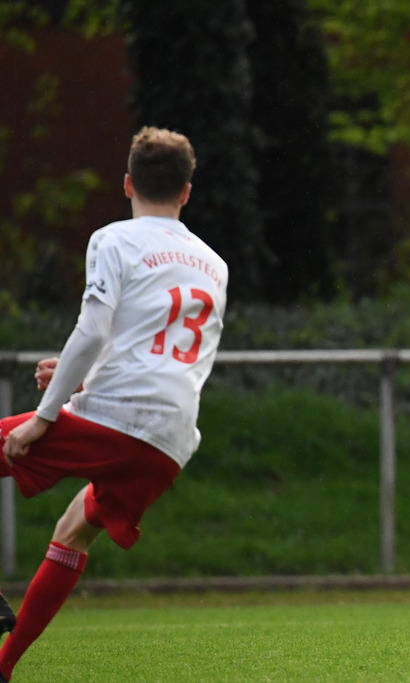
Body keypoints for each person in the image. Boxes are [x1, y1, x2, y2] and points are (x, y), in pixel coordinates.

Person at [0, 127, 227, 678]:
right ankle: (3, 667)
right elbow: (162, 353)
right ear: (187, 192)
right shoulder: (214, 264)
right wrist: (82, 380)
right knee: (74, 528)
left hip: (118, 417)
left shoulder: (114, 239)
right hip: (171, 439)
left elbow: (93, 329)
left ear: (127, 183)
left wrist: (46, 416)